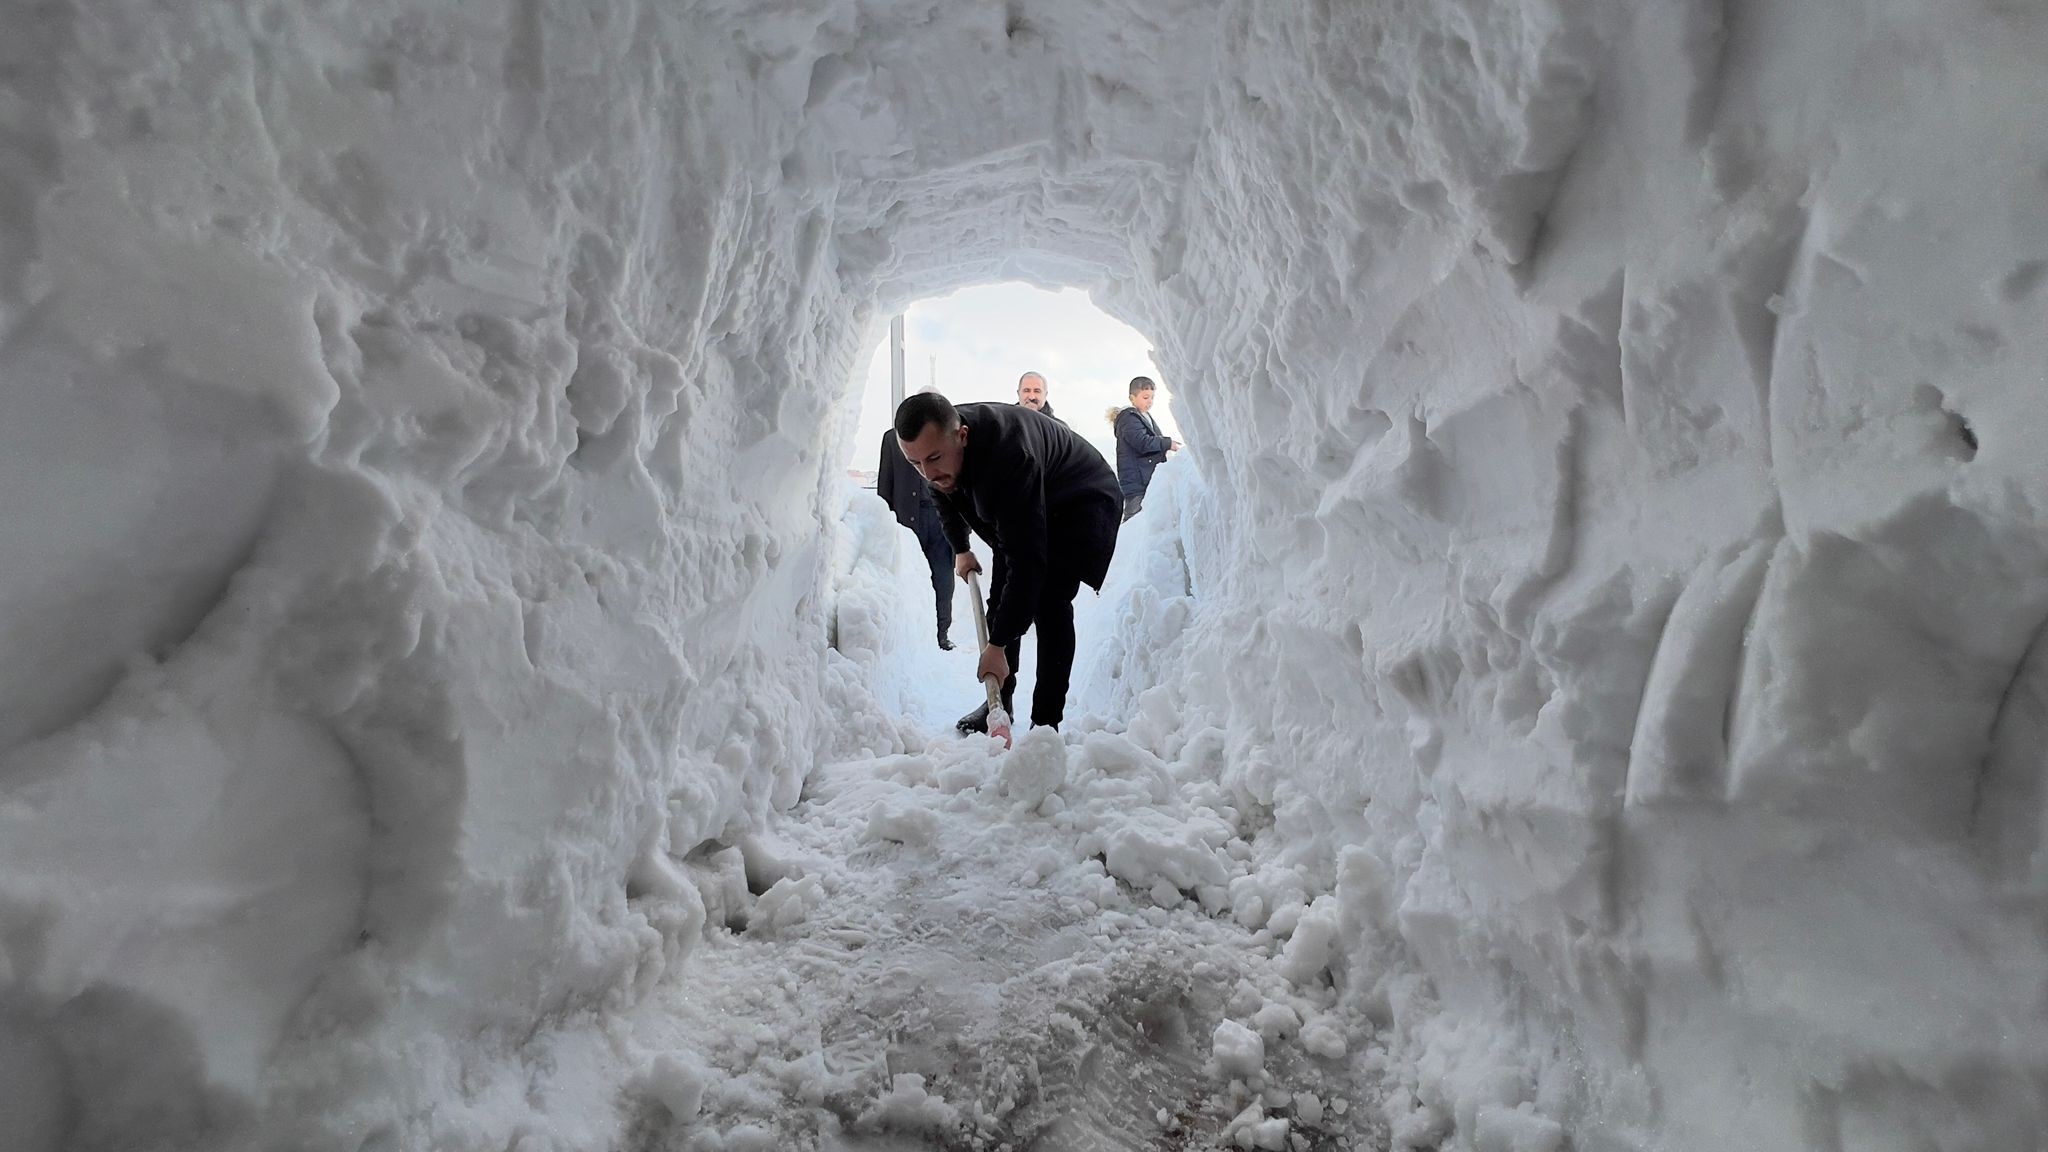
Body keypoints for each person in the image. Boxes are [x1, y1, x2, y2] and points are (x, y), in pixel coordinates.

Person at [893, 392, 1121, 733]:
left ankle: (1046, 723)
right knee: (1000, 602)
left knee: (1050, 603)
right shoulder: (938, 452)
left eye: (934, 458)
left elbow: (1027, 561)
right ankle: (999, 704)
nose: (927, 472)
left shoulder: (1008, 457)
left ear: (963, 436)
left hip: (1080, 500)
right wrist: (961, 548)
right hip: (1029, 500)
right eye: (916, 463)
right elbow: (942, 493)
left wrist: (996, 645)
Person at [876, 426, 957, 650]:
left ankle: (941, 634)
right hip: (908, 520)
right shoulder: (893, 437)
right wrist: (884, 523)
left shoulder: (949, 432)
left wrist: (963, 530)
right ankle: (909, 634)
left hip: (942, 521)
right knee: (909, 578)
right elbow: (885, 484)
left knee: (943, 580)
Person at [1111, 376, 1178, 520]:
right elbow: (1141, 442)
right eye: (1145, 397)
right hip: (1136, 484)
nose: (1150, 401)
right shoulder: (1129, 418)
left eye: (1152, 397)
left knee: (1145, 524)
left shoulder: (1144, 416)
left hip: (1146, 479)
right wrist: (1167, 443)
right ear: (1132, 397)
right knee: (1133, 522)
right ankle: (1122, 543)